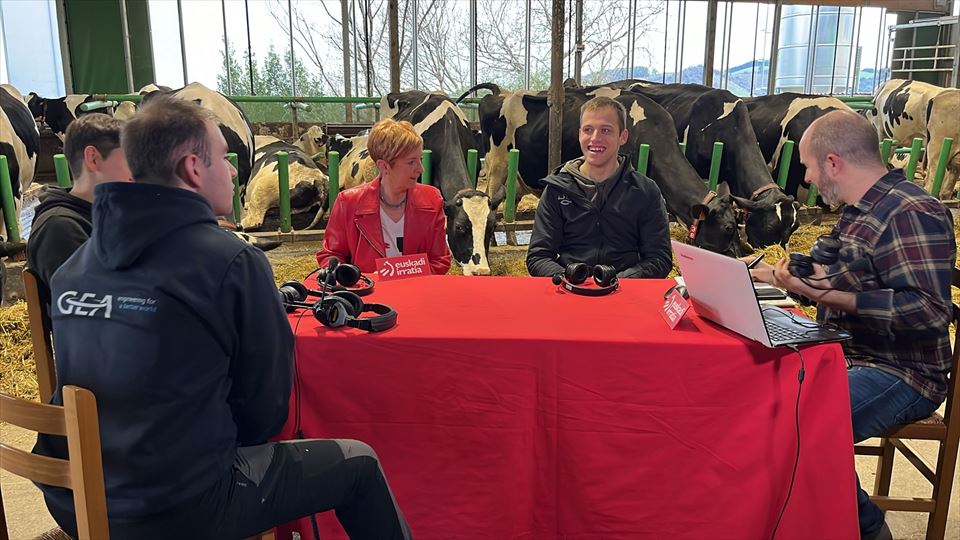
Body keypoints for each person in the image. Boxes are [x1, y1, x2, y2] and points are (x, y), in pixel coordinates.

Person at [34, 96, 412, 540]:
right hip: (185, 508)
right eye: (223, 160)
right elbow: (267, 417)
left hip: (75, 499)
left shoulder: (73, 266)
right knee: (359, 463)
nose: (234, 172)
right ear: (194, 168)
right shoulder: (232, 262)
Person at [749, 110, 955, 540]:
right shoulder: (856, 212)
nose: (806, 179)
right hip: (845, 352)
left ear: (832, 163)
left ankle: (868, 530)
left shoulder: (912, 211)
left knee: (794, 424)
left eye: (806, 166)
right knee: (756, 400)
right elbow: (837, 280)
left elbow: (930, 312)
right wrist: (769, 275)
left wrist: (831, 295)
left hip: (903, 371)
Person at [526, 96, 672, 279]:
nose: (595, 138)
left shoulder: (646, 191)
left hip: (626, 293)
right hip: (570, 290)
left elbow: (660, 258)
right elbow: (538, 256)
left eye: (606, 130)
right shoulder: (557, 190)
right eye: (588, 130)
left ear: (623, 136)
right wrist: (567, 277)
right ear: (579, 134)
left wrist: (620, 281)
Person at [316, 118, 450, 274]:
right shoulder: (348, 202)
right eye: (411, 162)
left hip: (417, 292)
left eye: (419, 160)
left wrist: (400, 274)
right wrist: (348, 277)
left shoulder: (432, 199)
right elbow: (331, 255)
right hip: (368, 295)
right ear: (384, 166)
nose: (421, 169)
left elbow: (440, 260)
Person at [27, 113, 131, 311]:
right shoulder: (60, 228)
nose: (137, 173)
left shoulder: (104, 216)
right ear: (93, 158)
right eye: (129, 160)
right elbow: (99, 308)